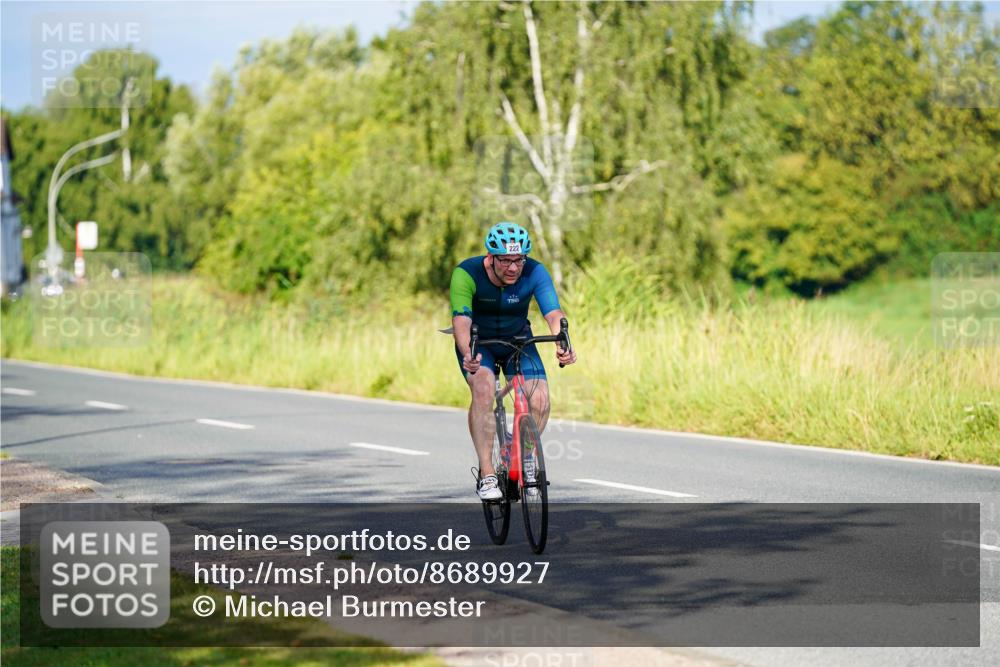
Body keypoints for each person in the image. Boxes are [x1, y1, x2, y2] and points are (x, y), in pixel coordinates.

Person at [450, 222, 577, 500]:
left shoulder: (535, 271)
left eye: (518, 260)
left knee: (540, 400)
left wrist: (563, 342)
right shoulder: (466, 273)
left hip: (518, 340)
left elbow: (553, 314)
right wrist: (467, 352)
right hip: (479, 343)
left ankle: (524, 454)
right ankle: (487, 474)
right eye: (505, 260)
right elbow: (461, 319)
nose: (513, 268)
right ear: (491, 257)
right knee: (483, 389)